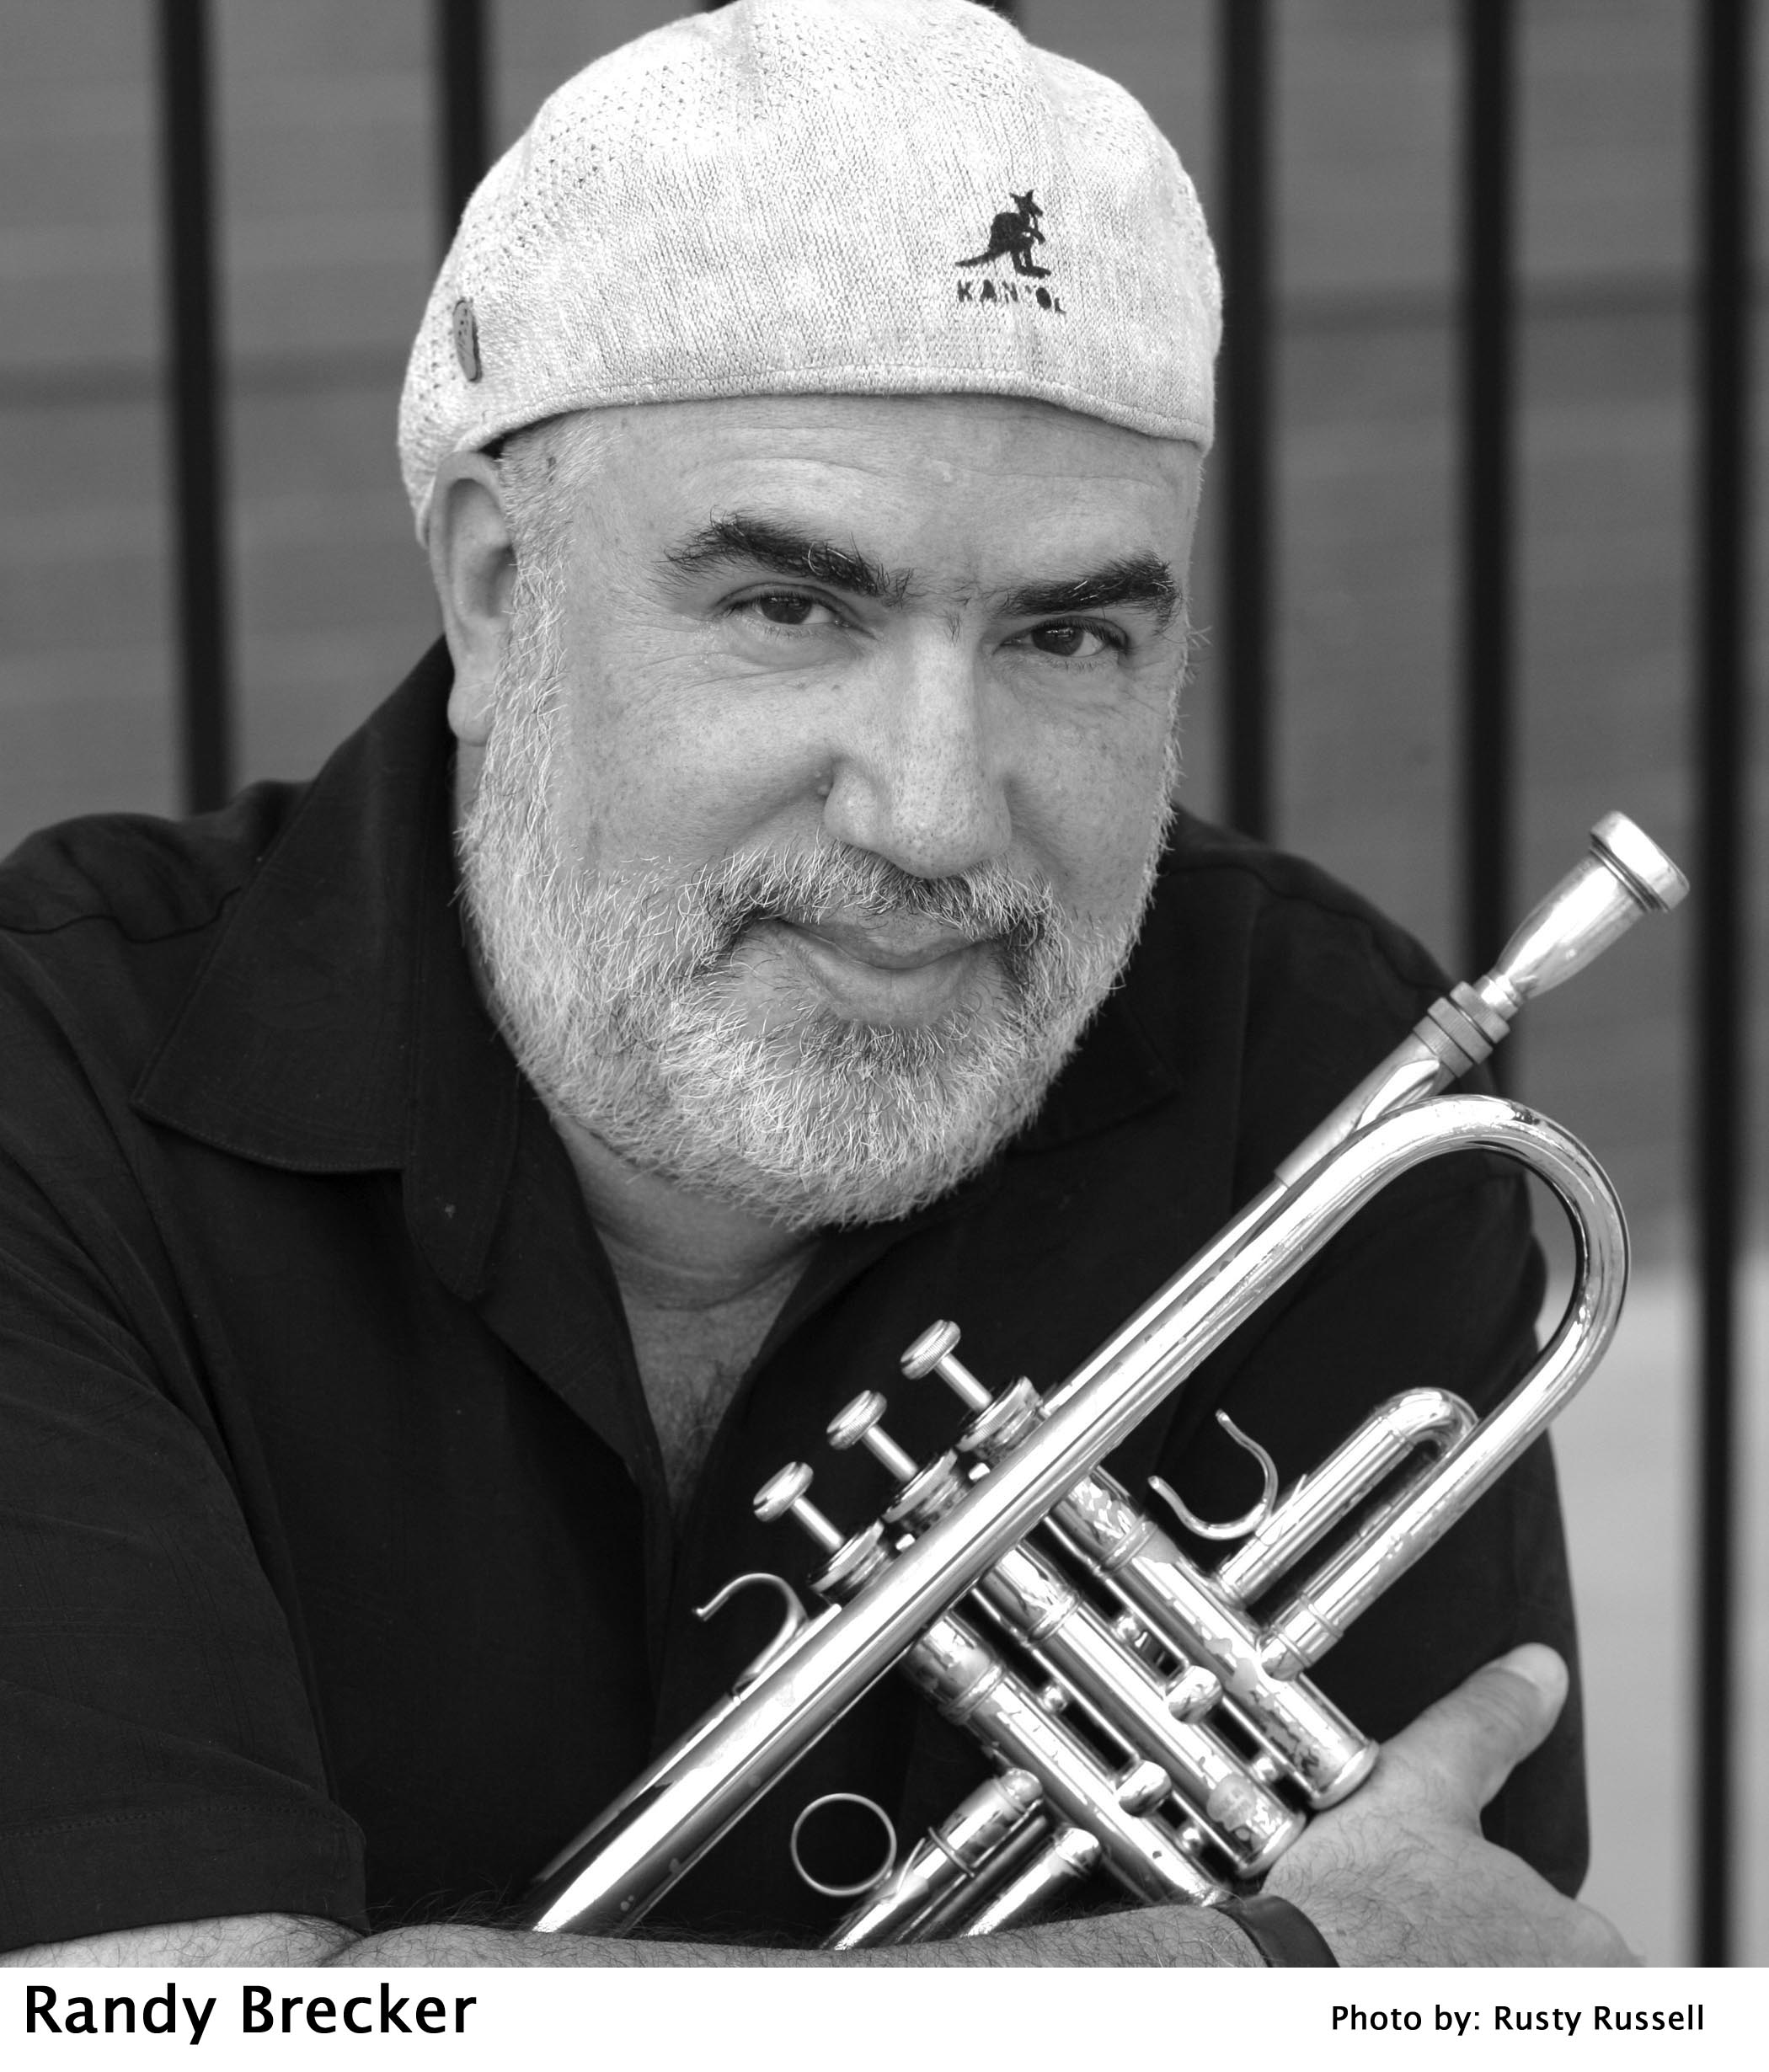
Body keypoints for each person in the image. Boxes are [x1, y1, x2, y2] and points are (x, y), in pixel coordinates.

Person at [0, 0, 1632, 1968]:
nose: (935, 815)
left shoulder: (1319, 1078)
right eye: (792, 608)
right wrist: (1253, 1976)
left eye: (1070, 639)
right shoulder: (49, 1090)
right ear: (498, 591)